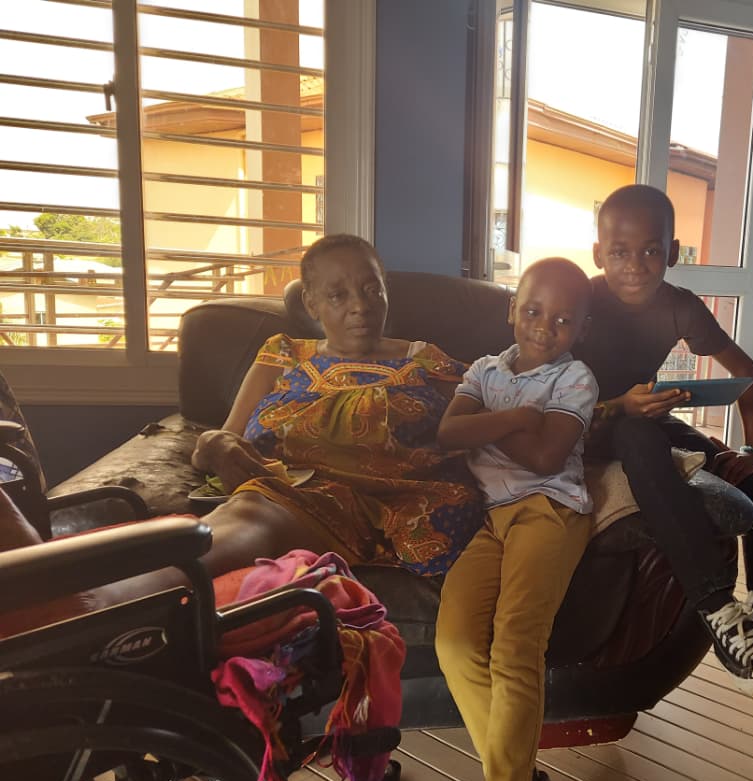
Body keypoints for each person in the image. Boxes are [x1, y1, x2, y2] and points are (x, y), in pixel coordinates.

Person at [0, 233, 485, 633]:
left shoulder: (426, 360)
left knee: (249, 517)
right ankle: (66, 589)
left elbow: (488, 408)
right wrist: (218, 447)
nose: (360, 306)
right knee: (243, 513)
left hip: (388, 500)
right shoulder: (283, 353)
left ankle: (85, 606)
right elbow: (219, 438)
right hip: (289, 488)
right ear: (311, 302)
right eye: (338, 294)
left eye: (371, 289)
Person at [577, 184, 753, 702]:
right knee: (637, 430)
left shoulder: (679, 307)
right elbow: (543, 395)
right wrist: (619, 406)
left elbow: (744, 370)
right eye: (618, 252)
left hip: (646, 421)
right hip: (589, 427)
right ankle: (718, 608)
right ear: (598, 254)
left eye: (650, 251)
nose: (634, 265)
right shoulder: (582, 300)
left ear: (672, 252)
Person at [434, 258, 597, 781]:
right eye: (532, 311)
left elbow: (547, 458)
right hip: (490, 517)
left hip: (550, 511)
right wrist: (517, 418)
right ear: (512, 310)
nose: (544, 328)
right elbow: (448, 432)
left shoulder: (575, 378)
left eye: (562, 320)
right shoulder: (484, 369)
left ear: (581, 329)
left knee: (515, 644)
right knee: (454, 643)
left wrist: (486, 423)